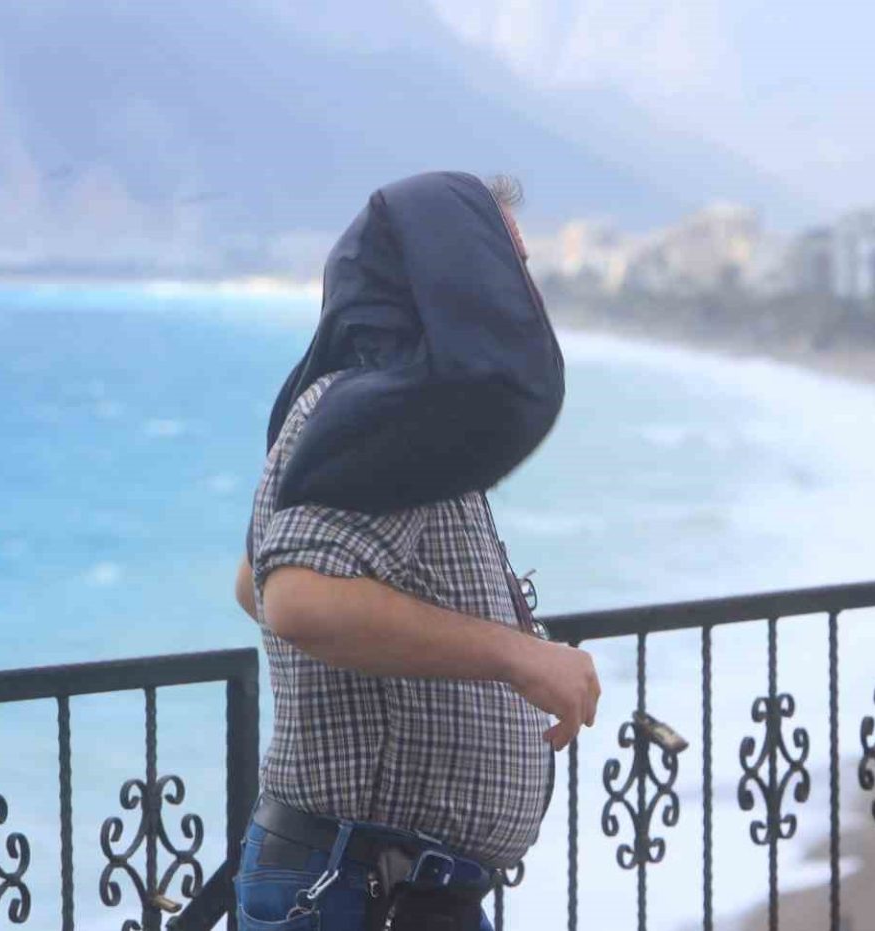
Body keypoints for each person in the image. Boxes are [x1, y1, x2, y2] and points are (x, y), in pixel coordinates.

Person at [231, 172, 602, 931]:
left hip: (390, 884)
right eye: (507, 263)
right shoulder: (377, 412)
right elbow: (294, 599)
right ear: (451, 277)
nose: (522, 289)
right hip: (357, 886)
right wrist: (517, 656)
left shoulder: (381, 412)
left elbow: (253, 584)